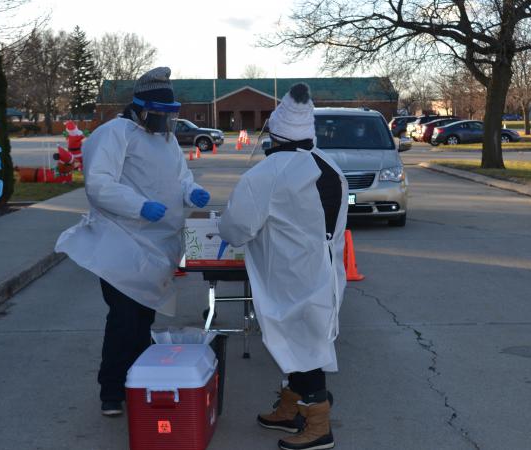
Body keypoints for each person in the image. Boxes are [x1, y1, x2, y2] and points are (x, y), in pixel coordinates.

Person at [55, 67, 211, 417]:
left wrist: (191, 191)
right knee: (124, 320)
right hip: (121, 244)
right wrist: (139, 205)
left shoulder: (165, 140)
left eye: (169, 116)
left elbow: (179, 176)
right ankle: (111, 391)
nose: (164, 123)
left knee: (142, 322)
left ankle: (137, 384)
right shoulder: (113, 135)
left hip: (158, 247)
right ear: (140, 109)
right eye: (159, 116)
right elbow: (99, 184)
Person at [218, 83, 348, 450]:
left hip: (289, 276)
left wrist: (226, 231)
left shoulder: (267, 174)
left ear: (274, 133)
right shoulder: (330, 166)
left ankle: (319, 423)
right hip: (325, 273)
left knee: (302, 347)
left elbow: (236, 227)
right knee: (307, 340)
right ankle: (290, 410)